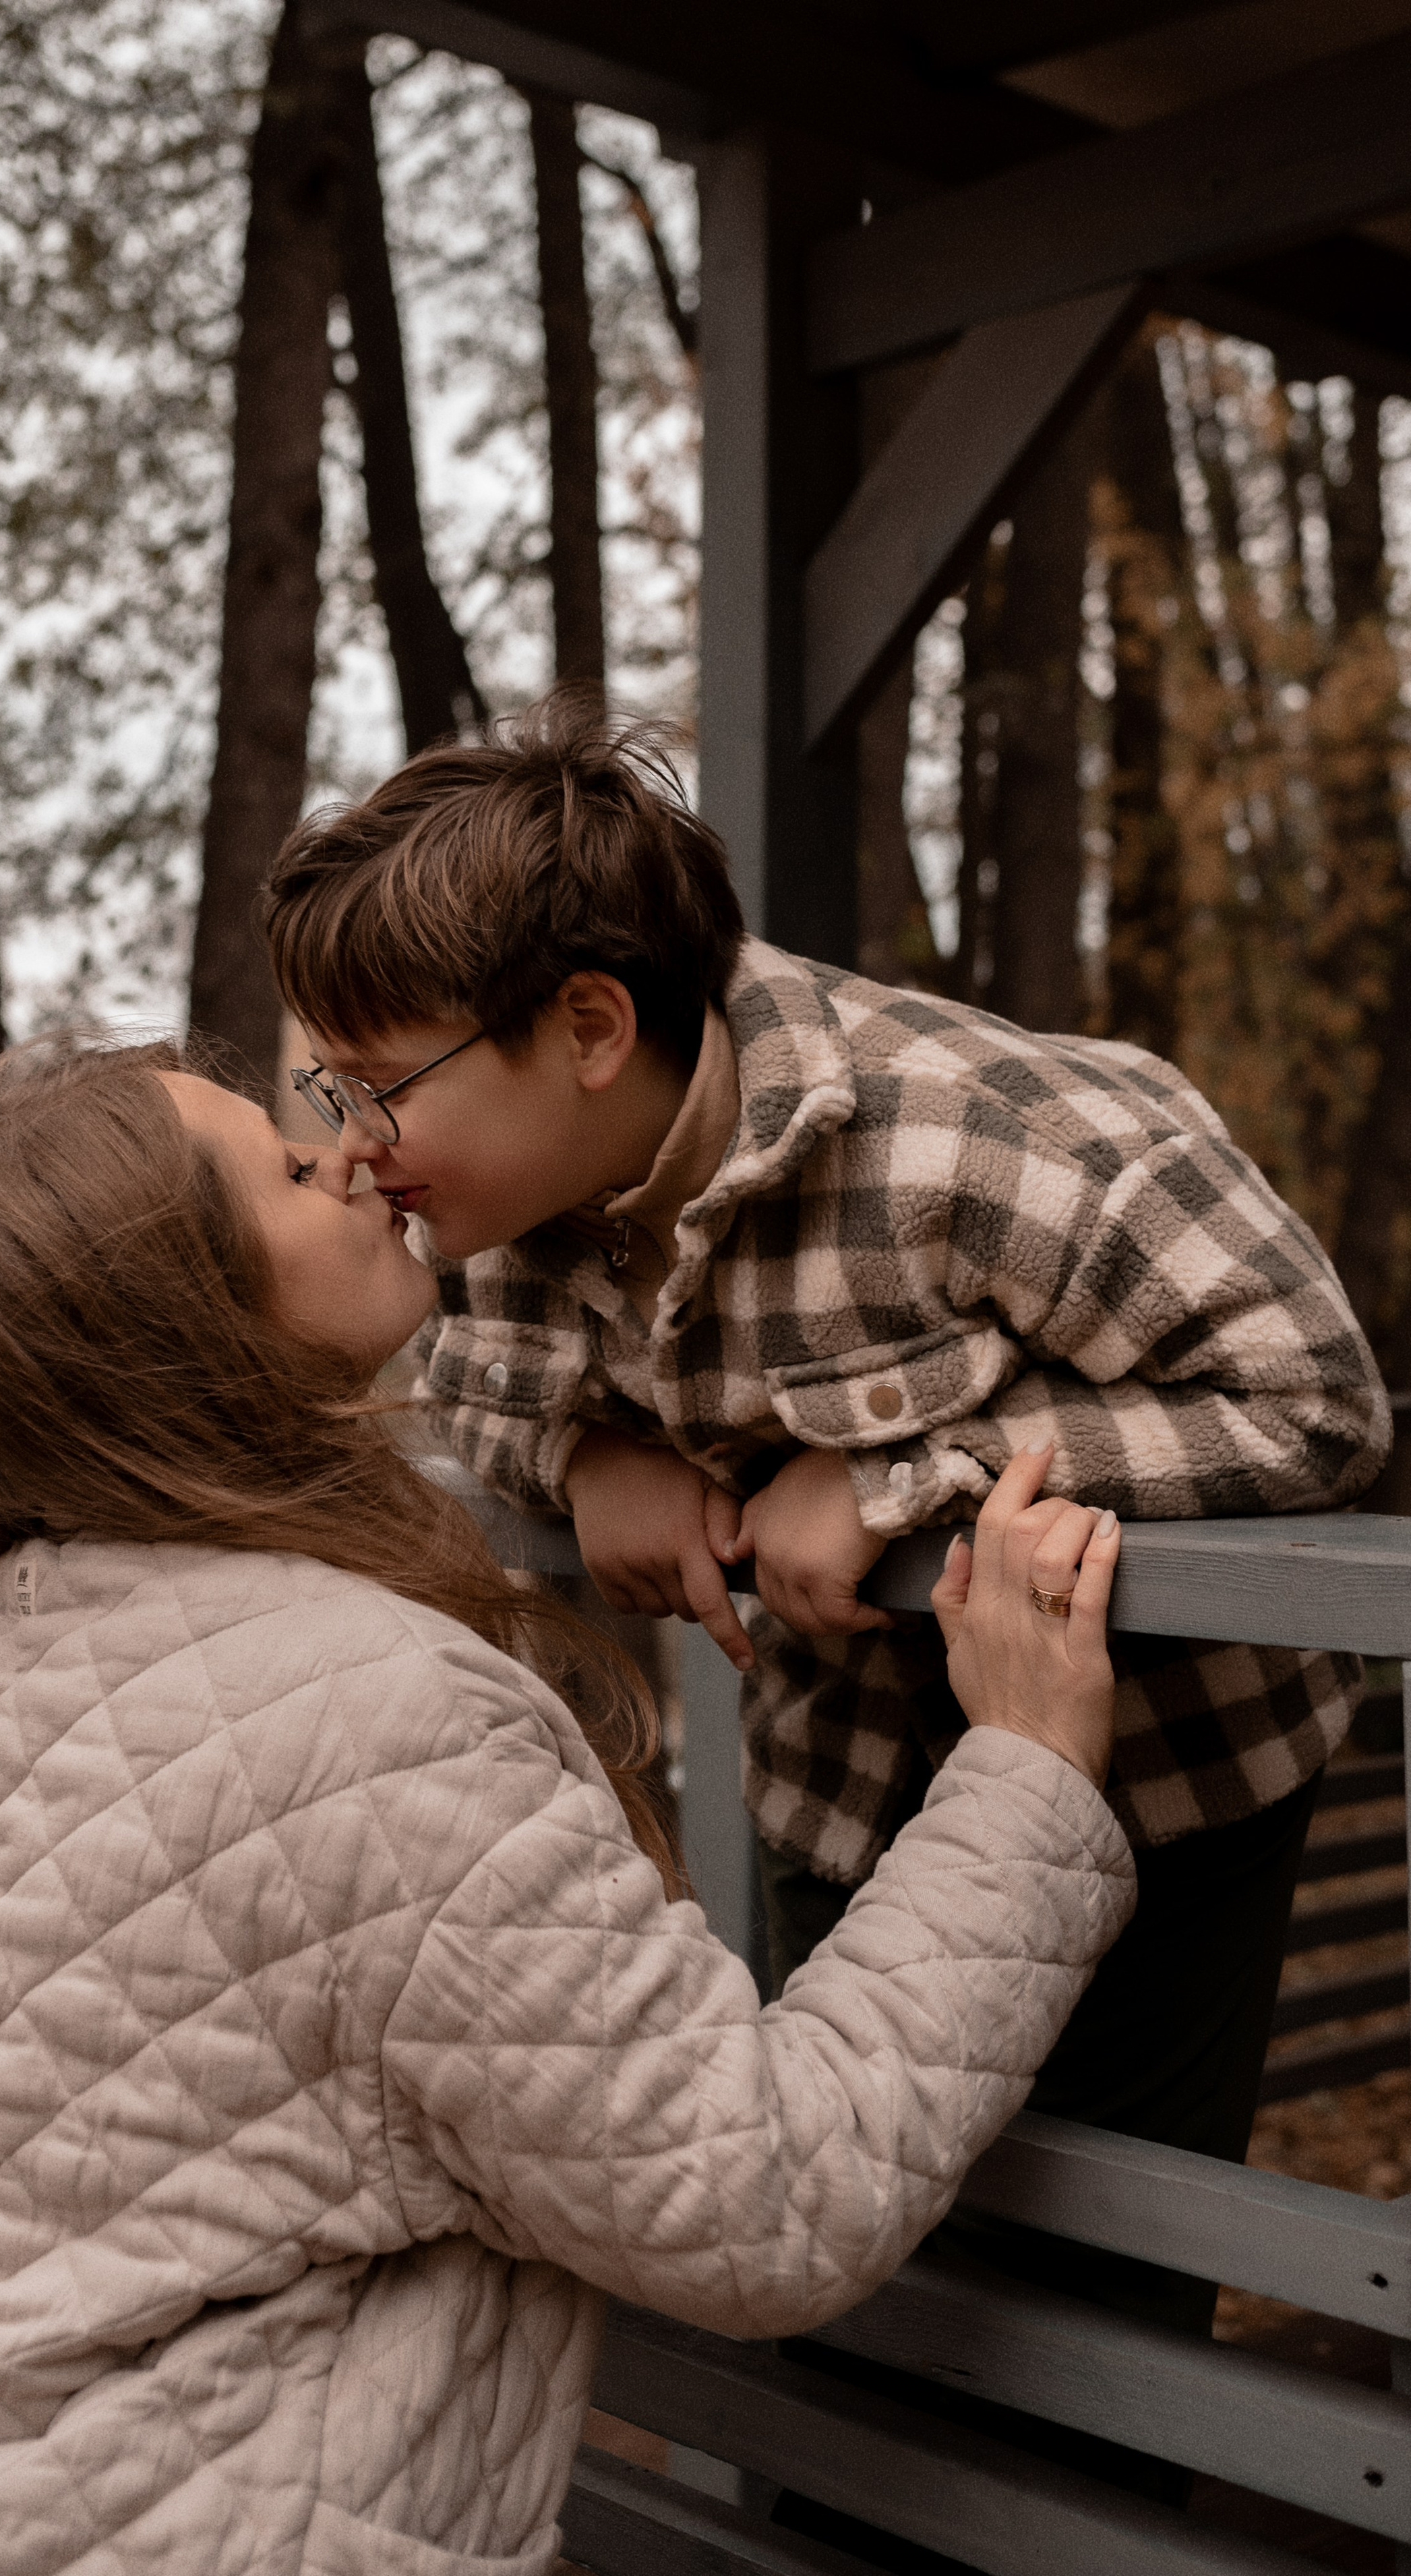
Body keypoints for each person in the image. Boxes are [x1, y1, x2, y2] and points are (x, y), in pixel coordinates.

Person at [0, 1036, 1131, 2575]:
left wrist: (587, 1449)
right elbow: (770, 2191)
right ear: (188, 1320)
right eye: (283, 1167)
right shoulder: (368, 1720)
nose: (347, 1155)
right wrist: (1023, 1766)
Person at [264, 694, 1390, 2360]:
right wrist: (582, 1457)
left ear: (588, 1025)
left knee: (1082, 2308)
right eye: (329, 1086)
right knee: (861, 2260)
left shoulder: (987, 1136)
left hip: (1160, 1787)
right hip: (835, 1768)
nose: (353, 1143)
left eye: (381, 1085)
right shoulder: (487, 1193)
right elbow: (465, 1394)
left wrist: (901, 1477)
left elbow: (1313, 1400)